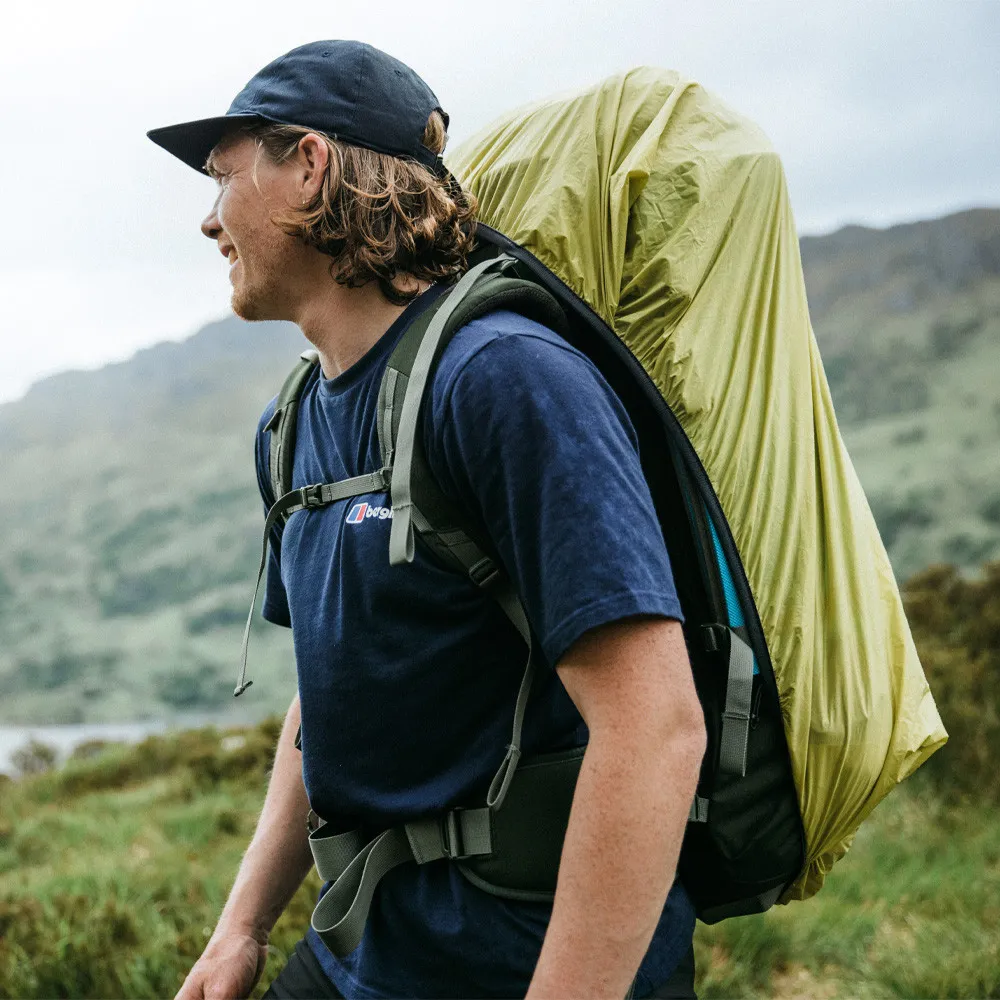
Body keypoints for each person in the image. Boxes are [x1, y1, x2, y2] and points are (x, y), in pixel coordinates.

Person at [148, 40, 706, 1000]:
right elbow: (324, 703)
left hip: (521, 959)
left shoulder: (503, 381)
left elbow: (654, 726)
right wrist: (239, 928)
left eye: (224, 176)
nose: (208, 220)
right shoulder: (290, 426)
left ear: (309, 166)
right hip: (366, 946)